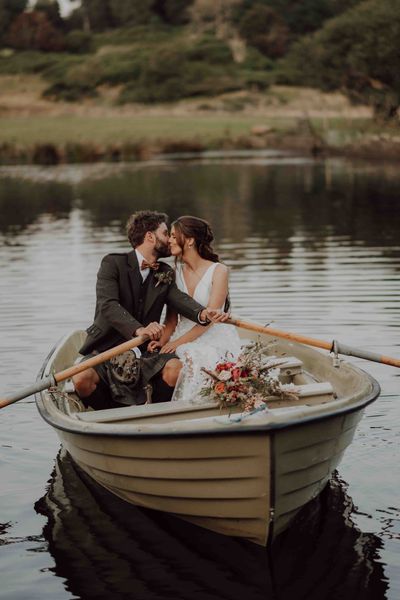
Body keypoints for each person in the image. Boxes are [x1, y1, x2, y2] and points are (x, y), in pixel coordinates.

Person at [73, 210, 226, 409]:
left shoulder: (164, 272)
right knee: (81, 379)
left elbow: (179, 300)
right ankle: (108, 416)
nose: (169, 240)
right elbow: (108, 305)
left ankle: (155, 414)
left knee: (175, 369)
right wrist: (139, 330)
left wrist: (203, 313)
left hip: (146, 352)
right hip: (106, 349)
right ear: (150, 236)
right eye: (165, 233)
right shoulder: (112, 263)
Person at [148, 215, 241, 403]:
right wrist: (162, 343)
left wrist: (177, 344)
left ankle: (196, 407)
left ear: (189, 241)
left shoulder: (218, 270)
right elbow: (172, 320)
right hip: (182, 334)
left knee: (194, 356)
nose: (169, 240)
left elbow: (210, 319)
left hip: (211, 334)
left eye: (174, 236)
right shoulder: (172, 274)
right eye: (170, 236)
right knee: (172, 362)